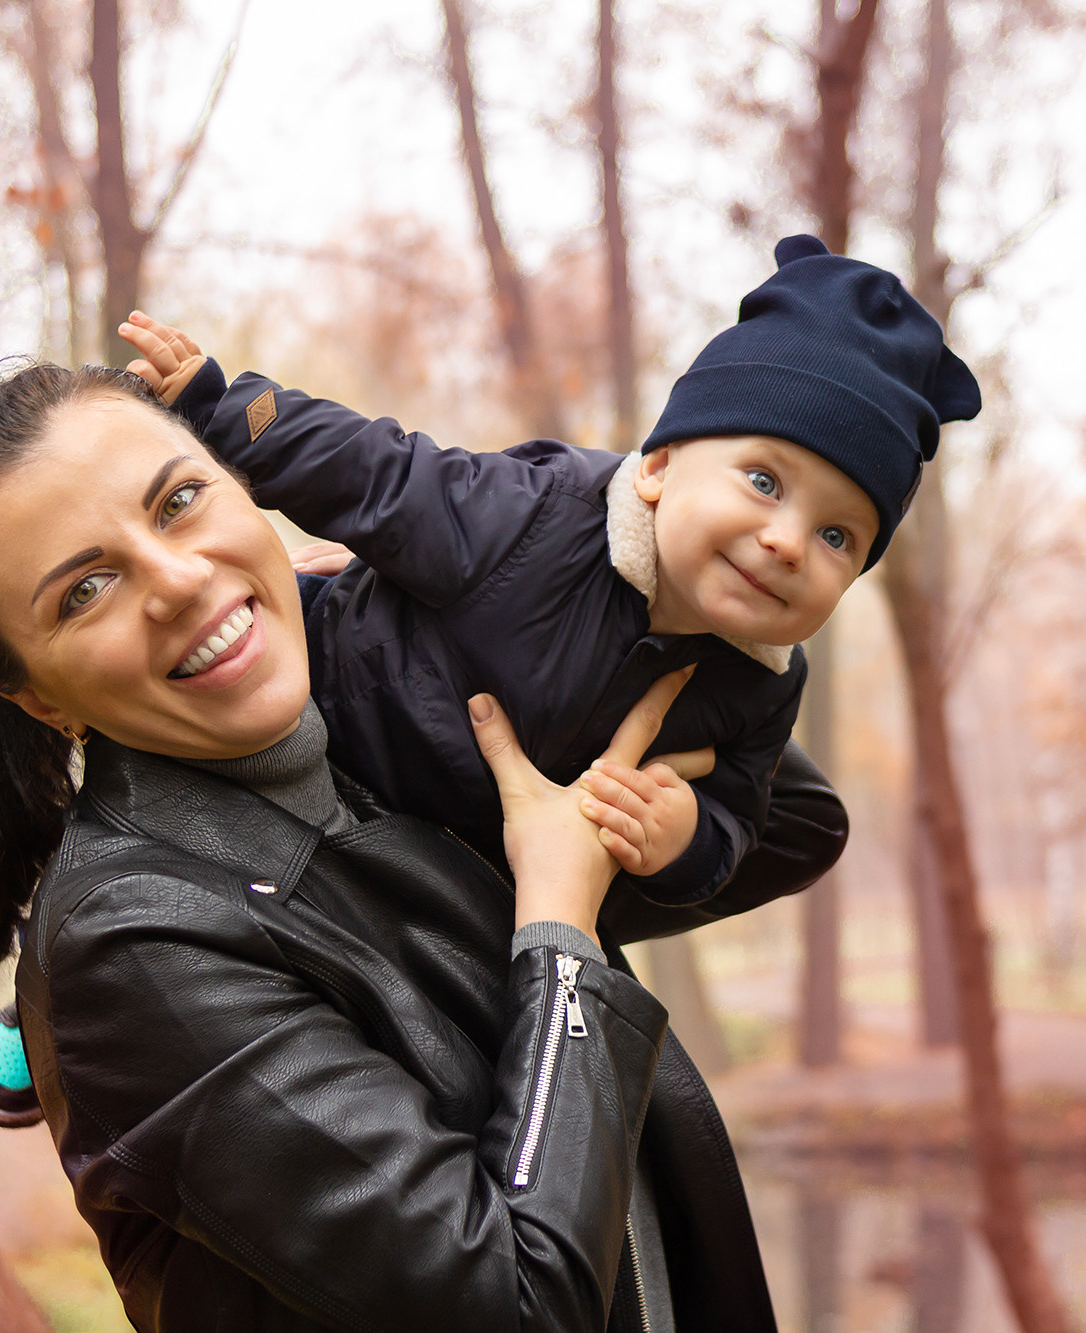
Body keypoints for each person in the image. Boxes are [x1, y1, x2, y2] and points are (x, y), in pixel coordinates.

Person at [0, 361, 844, 1331]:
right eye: (85, 589)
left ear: (246, 490)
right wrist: (559, 931)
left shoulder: (382, 744)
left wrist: (497, 608)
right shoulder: (132, 948)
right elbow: (515, 1299)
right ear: (38, 697)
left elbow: (797, 822)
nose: (179, 579)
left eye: (179, 501)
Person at [118, 234, 979, 914]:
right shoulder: (536, 517)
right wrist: (223, 407)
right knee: (182, 781)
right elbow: (377, 473)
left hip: (446, 861)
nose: (788, 542)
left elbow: (736, 821)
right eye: (763, 481)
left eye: (837, 535)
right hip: (330, 714)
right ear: (659, 466)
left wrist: (685, 839)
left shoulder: (761, 686)